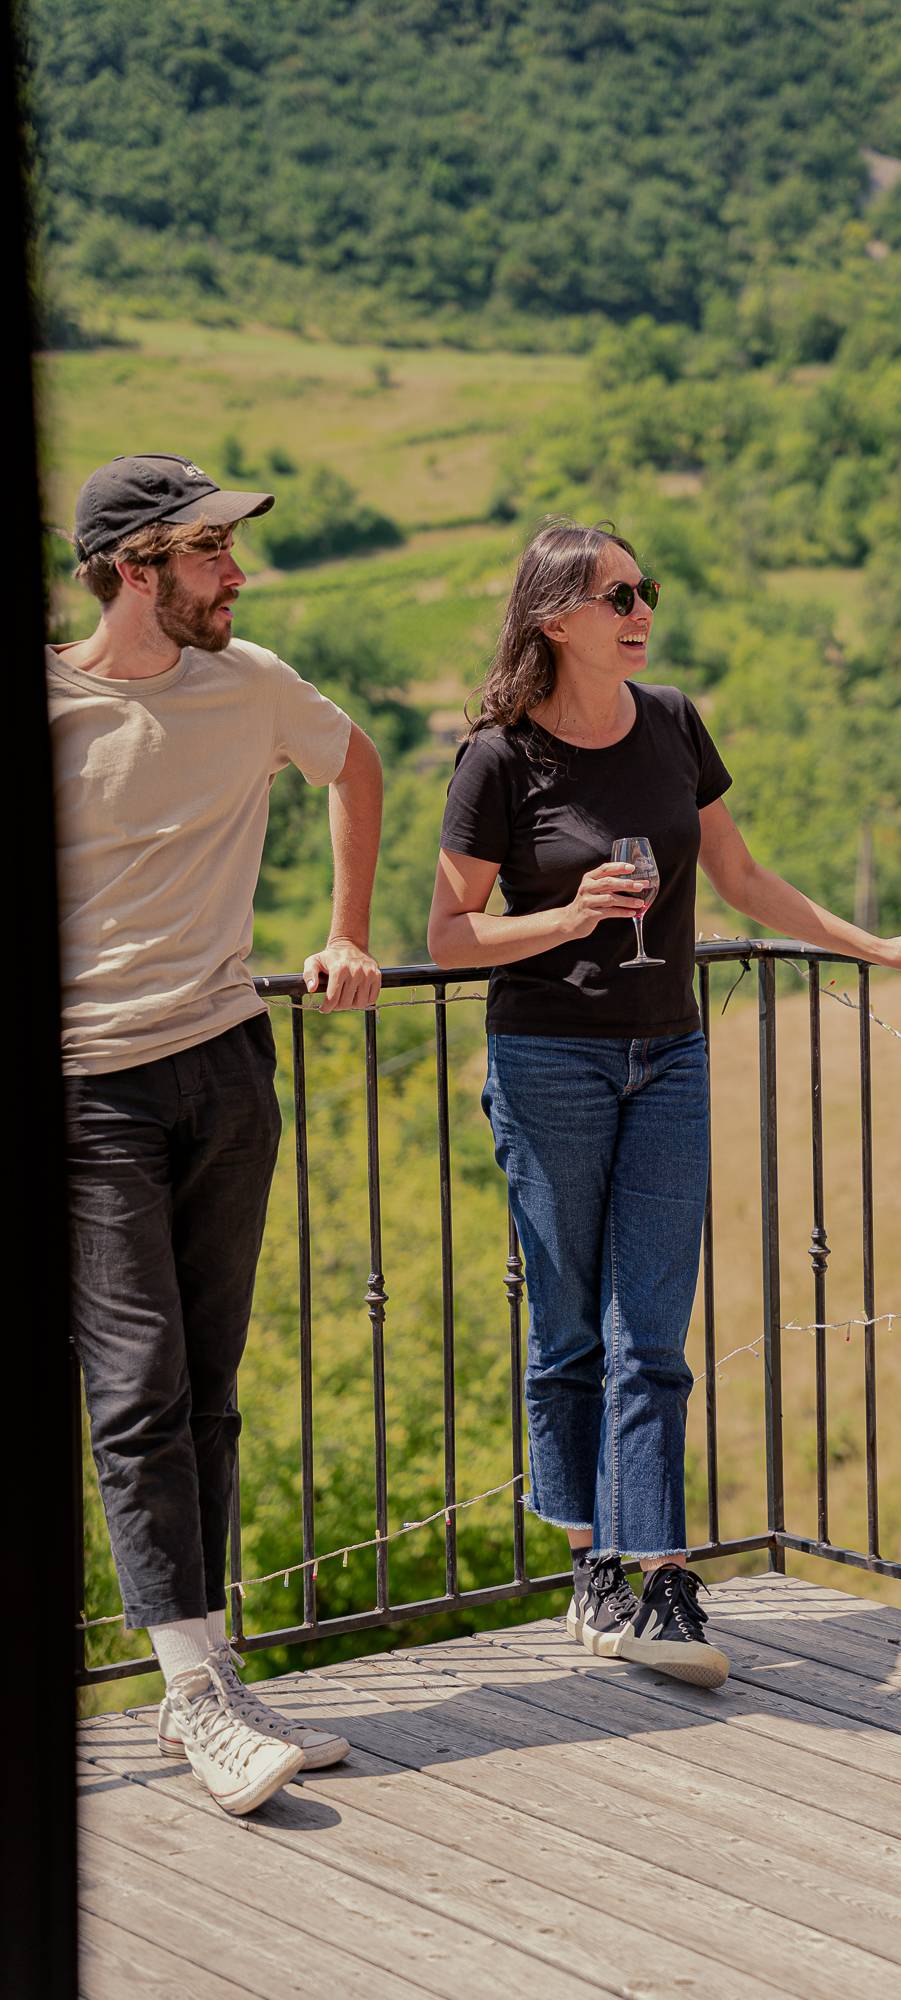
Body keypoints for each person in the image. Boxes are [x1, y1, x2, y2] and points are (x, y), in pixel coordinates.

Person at [429, 517, 901, 1688]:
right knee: (565, 1328)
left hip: (667, 1053)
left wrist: (877, 946)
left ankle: (661, 1574)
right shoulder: (497, 758)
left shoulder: (670, 723)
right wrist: (565, 918)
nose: (640, 608)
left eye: (644, 589)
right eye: (618, 593)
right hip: (548, 1058)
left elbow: (744, 877)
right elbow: (448, 933)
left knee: (647, 1334)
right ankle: (588, 1556)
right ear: (555, 616)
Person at [55, 453, 384, 1814]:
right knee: (136, 1387)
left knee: (208, 1385)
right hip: (88, 1093)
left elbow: (355, 765)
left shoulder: (250, 684)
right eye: (210, 554)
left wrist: (348, 930)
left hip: (227, 1066)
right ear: (138, 570)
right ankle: (194, 1698)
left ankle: (211, 1664)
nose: (236, 577)